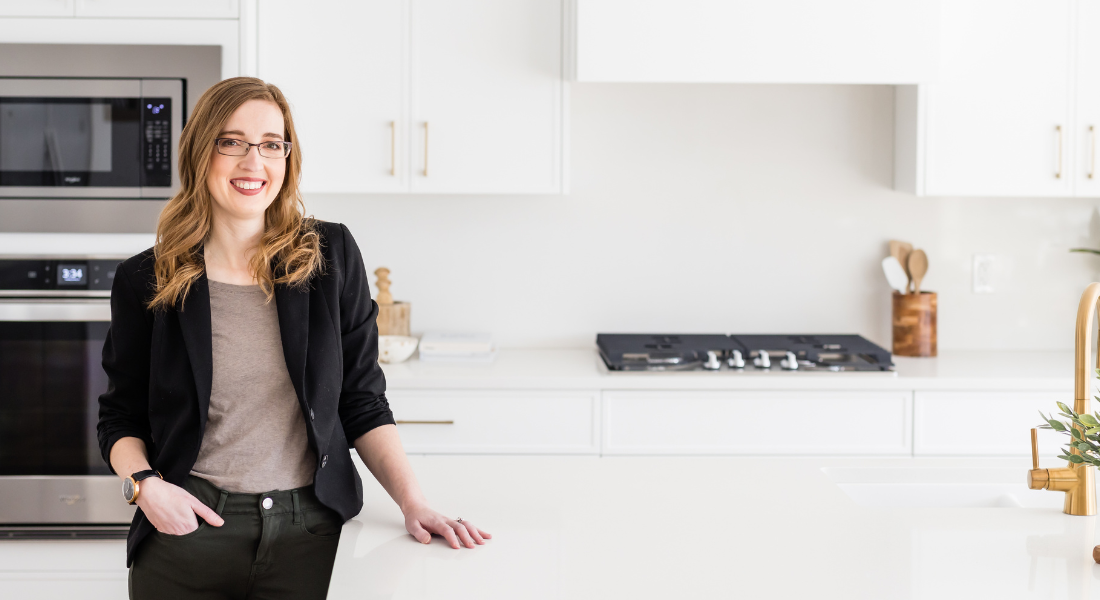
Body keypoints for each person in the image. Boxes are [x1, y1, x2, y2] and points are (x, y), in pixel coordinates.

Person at [97, 77, 489, 600]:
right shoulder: (147, 280)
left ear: (287, 158)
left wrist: (413, 502)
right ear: (200, 153)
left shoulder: (330, 256)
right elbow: (119, 416)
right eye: (230, 141)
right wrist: (145, 488)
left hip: (309, 535)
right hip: (185, 532)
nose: (252, 161)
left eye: (270, 144)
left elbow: (363, 401)